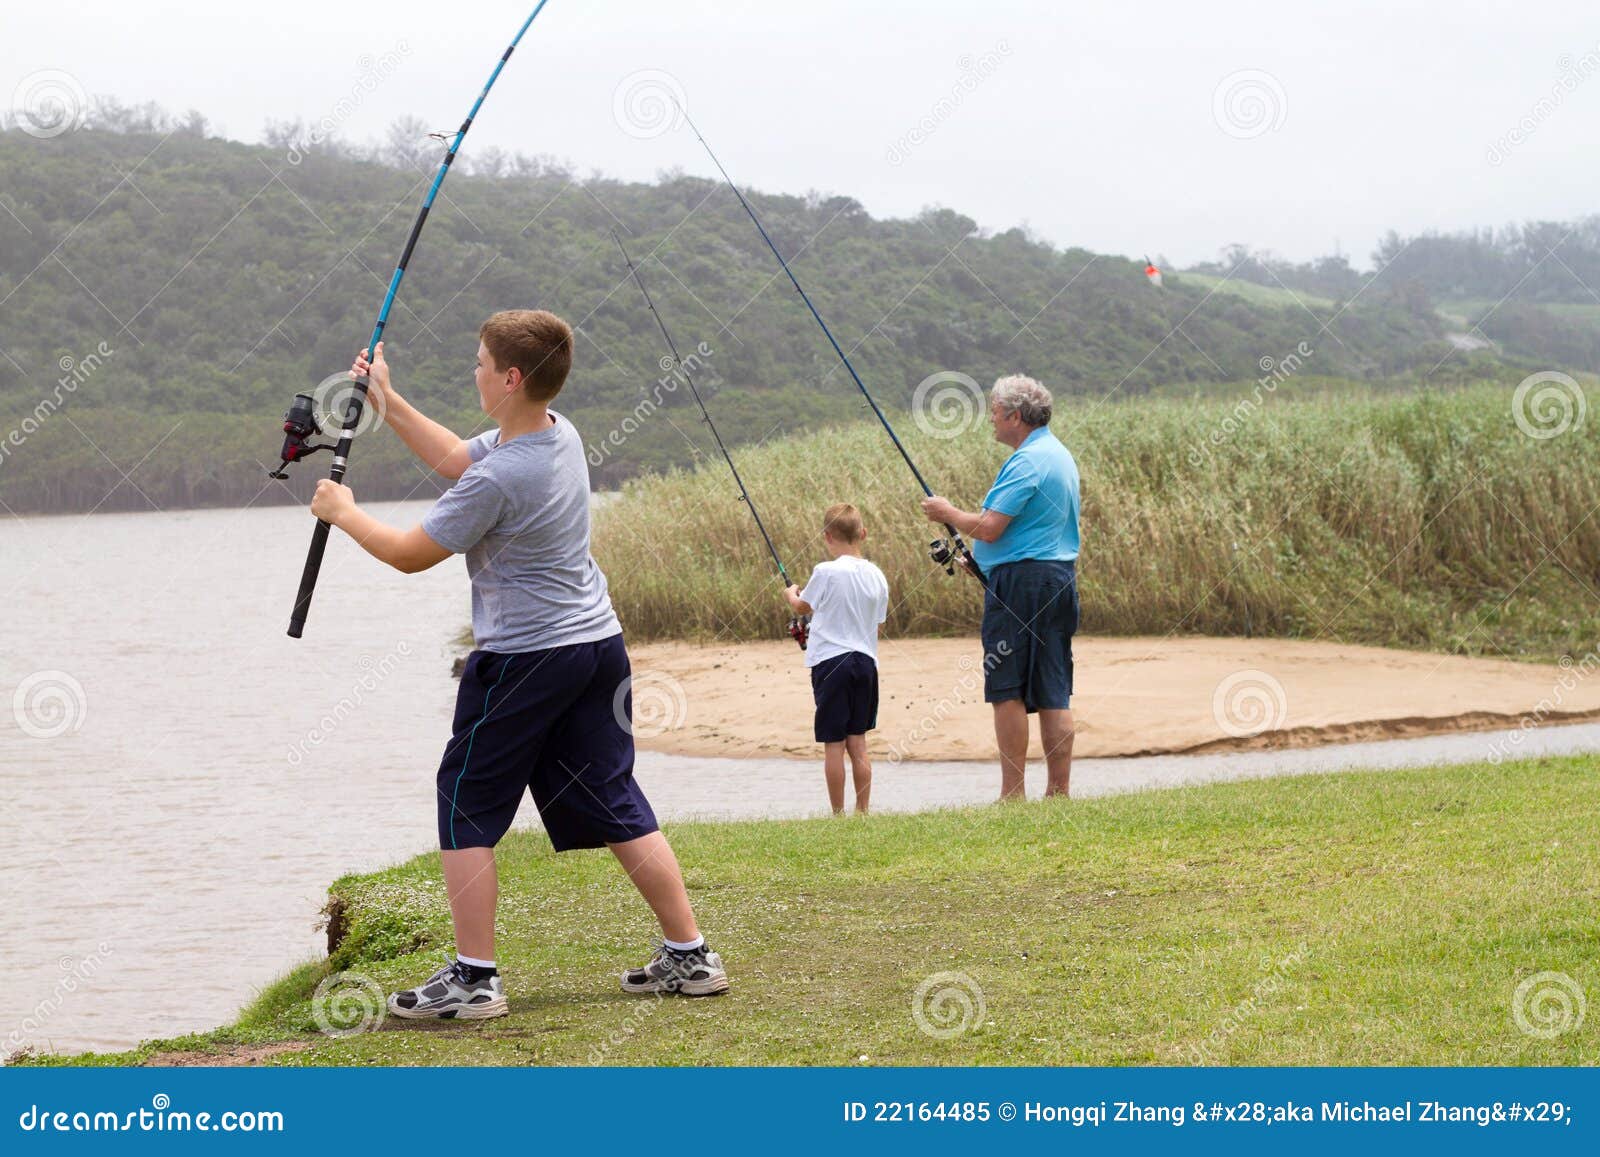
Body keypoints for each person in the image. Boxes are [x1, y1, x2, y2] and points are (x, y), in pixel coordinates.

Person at [308, 309, 729, 1018]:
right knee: (612, 796)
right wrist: (387, 397)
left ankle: (475, 979)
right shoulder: (558, 435)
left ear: (508, 376)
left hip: (525, 660)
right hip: (597, 647)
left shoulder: (503, 476)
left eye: (478, 364)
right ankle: (689, 954)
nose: (472, 373)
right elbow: (452, 459)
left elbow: (412, 553)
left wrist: (342, 511)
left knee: (464, 802)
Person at [920, 374, 1080, 800]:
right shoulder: (1059, 455)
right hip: (1058, 579)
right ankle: (1058, 793)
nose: (990, 419)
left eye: (994, 411)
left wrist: (948, 513)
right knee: (1054, 687)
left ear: (1014, 416)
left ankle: (1012, 795)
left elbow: (989, 528)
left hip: (1022, 585)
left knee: (1006, 686)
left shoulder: (1027, 461)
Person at [783, 503, 889, 815]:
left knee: (834, 743)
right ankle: (863, 811)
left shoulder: (825, 571)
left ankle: (838, 814)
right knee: (859, 742)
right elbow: (878, 625)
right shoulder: (878, 576)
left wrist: (789, 593)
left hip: (831, 663)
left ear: (827, 536)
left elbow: (803, 607)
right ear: (863, 533)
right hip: (866, 663)